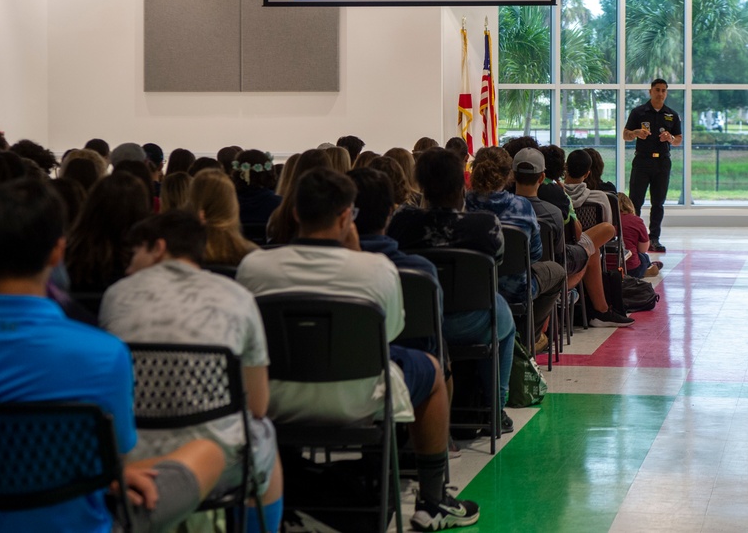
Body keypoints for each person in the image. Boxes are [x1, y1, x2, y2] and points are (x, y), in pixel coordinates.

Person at [236, 168, 480, 531]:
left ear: (296, 213)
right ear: (345, 216)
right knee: (430, 369)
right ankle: (432, 499)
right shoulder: (377, 269)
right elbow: (390, 334)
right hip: (361, 396)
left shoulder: (253, 266)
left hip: (271, 398)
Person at [0, 179, 225, 533]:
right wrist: (115, 474)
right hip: (82, 522)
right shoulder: (103, 353)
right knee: (209, 452)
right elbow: (118, 456)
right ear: (56, 252)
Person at [100, 210, 283, 533]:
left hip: (131, 458)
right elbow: (257, 406)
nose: (128, 267)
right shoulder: (237, 297)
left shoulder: (116, 295)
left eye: (133, 255)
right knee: (264, 435)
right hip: (216, 459)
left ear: (158, 248)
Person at [387, 147, 517, 429]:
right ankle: (496, 406)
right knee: (503, 315)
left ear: (420, 185)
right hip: (472, 321)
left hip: (415, 322)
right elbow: (496, 262)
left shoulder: (401, 223)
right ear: (462, 185)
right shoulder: (485, 225)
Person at [513, 148, 630, 328]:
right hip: (554, 265)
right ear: (541, 177)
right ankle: (600, 310)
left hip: (512, 267)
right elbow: (572, 237)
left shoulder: (501, 208)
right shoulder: (554, 205)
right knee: (593, 247)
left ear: (513, 175)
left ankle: (597, 309)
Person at [465, 146, 565, 342]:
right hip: (515, 288)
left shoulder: (463, 205)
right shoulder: (521, 206)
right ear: (508, 175)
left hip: (471, 289)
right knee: (557, 272)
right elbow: (535, 253)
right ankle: (529, 337)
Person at [622, 78, 683, 252]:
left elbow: (679, 139)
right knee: (635, 201)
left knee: (658, 203)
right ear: (650, 91)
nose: (660, 93)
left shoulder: (671, 114)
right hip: (642, 161)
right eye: (657, 90)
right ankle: (632, 238)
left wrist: (670, 138)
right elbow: (625, 135)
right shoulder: (639, 112)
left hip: (662, 162)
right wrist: (636, 133)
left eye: (664, 90)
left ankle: (654, 238)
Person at [617, 192, 662, 278]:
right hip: (630, 268)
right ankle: (646, 270)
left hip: (605, 267)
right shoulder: (636, 221)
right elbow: (643, 249)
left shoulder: (605, 220)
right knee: (643, 257)